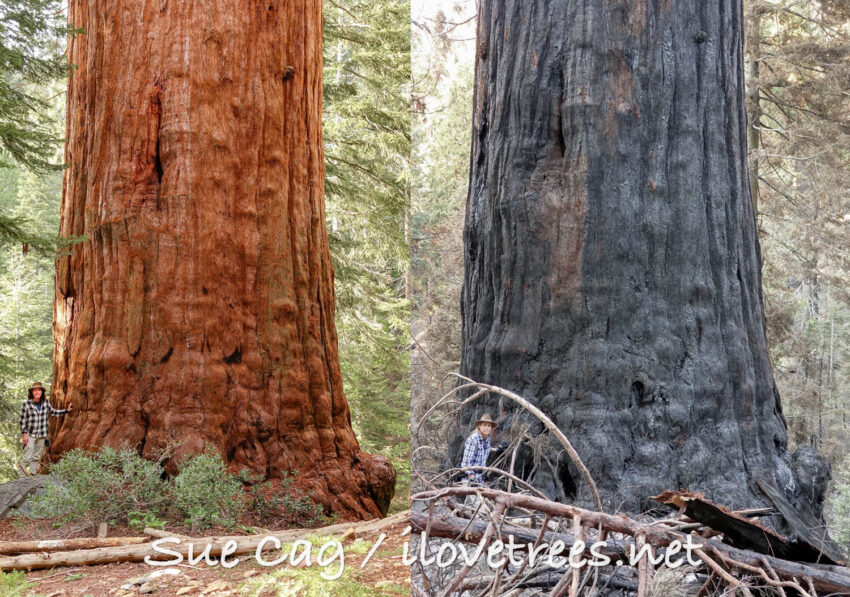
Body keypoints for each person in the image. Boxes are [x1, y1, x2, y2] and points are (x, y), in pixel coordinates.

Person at [18, 382, 73, 477]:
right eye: (35, 390)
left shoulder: (45, 403)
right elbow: (22, 420)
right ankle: (21, 476)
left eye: (39, 390)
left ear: (42, 392)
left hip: (42, 434)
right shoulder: (26, 404)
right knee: (27, 455)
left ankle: (33, 473)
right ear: (31, 392)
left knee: (36, 456)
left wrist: (66, 411)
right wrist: (24, 434)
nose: (37, 392)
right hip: (30, 434)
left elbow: (53, 412)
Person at [460, 413, 496, 485]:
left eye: (489, 426)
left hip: (480, 476)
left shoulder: (487, 439)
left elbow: (485, 450)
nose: (487, 428)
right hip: (470, 477)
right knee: (474, 496)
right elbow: (466, 462)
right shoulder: (473, 439)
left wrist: (498, 449)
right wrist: (471, 476)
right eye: (484, 425)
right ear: (479, 426)